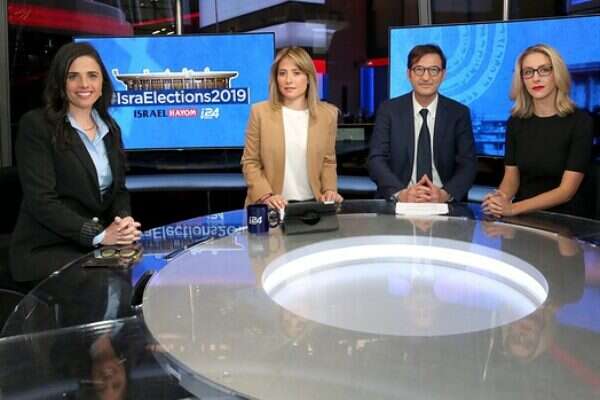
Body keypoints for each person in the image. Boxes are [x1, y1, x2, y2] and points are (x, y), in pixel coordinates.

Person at [9, 42, 141, 283]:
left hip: (93, 248)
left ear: (102, 83)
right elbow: (42, 201)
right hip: (46, 249)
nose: (84, 84)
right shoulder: (36, 126)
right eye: (73, 76)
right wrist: (99, 235)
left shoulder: (110, 128)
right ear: (60, 83)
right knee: (104, 281)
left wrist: (123, 223)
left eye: (92, 75)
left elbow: (118, 191)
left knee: (142, 272)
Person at [482, 44, 593, 218]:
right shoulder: (515, 122)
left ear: (557, 74)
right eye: (528, 72)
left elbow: (566, 191)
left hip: (566, 220)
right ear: (521, 79)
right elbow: (511, 179)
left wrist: (513, 208)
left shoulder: (580, 122)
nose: (536, 78)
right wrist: (498, 199)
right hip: (523, 218)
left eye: (544, 70)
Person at [368, 44, 476, 203]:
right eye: (419, 69)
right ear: (409, 74)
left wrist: (445, 194)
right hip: (400, 200)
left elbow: (468, 164)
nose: (426, 77)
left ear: (443, 74)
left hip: (444, 202)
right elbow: (376, 160)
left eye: (433, 70)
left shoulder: (458, 113)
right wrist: (401, 194)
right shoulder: (389, 110)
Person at [241, 47, 343, 210]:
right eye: (282, 73)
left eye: (296, 73)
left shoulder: (328, 114)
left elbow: (328, 161)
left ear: (308, 77)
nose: (288, 80)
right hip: (270, 206)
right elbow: (250, 162)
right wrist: (267, 196)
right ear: (276, 78)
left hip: (313, 205)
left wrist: (329, 190)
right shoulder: (259, 112)